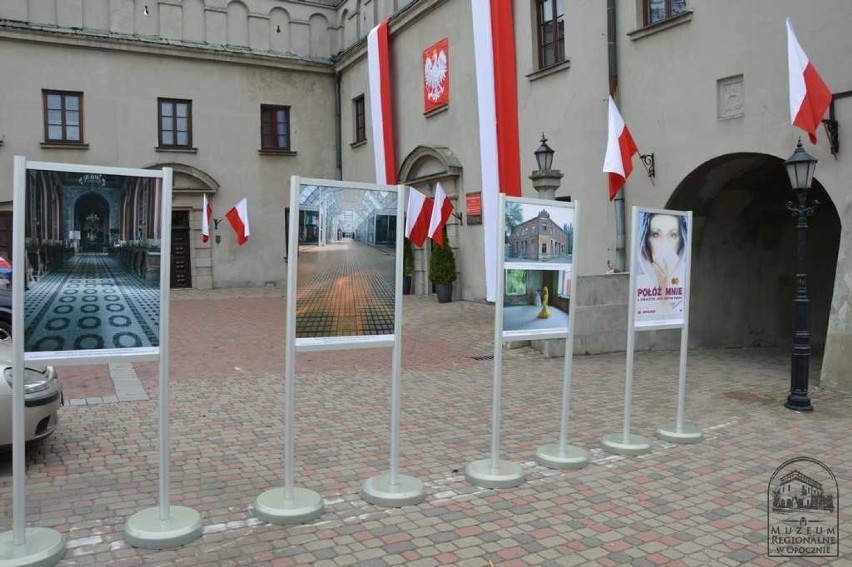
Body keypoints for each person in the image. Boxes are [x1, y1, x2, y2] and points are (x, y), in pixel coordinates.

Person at [634, 212, 688, 319]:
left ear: (681, 240)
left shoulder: (685, 276)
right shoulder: (638, 280)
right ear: (646, 240)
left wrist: (664, 290)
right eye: (656, 234)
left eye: (673, 235)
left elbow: (673, 317)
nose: (665, 244)